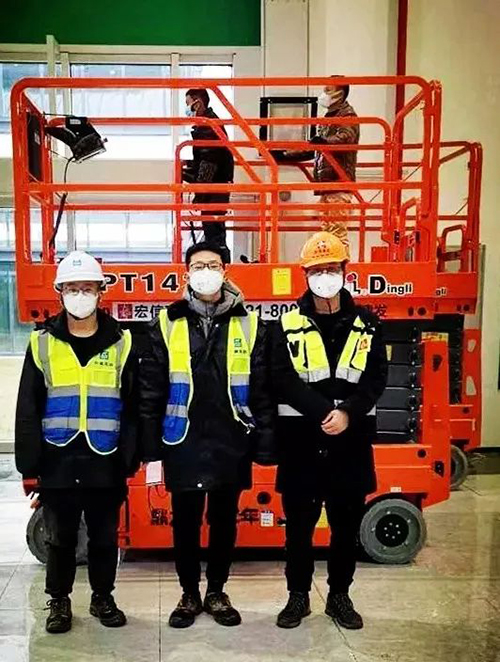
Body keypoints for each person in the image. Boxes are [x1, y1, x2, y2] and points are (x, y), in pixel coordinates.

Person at [139, 241, 274, 629]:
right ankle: (188, 593)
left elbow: (262, 388)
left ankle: (216, 591)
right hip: (181, 439)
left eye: (213, 265)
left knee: (224, 521)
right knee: (184, 522)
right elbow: (151, 388)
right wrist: (150, 446)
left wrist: (265, 442)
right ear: (186, 274)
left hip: (232, 440)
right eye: (198, 265)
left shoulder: (249, 323)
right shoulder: (167, 322)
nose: (206, 271)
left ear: (225, 270)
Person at [15, 251, 139, 634]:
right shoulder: (41, 344)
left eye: (87, 288)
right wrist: (29, 465)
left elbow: (133, 405)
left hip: (106, 458)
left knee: (104, 537)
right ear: (60, 293)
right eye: (72, 288)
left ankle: (103, 597)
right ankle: (59, 601)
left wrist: (130, 457)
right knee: (61, 538)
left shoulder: (122, 342)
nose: (80, 295)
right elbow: (28, 407)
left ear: (101, 292)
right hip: (58, 459)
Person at [271, 232, 387, 630]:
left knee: (345, 528)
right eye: (317, 270)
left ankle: (339, 596)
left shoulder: (368, 324)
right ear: (305, 275)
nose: (324, 276)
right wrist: (324, 412)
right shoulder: (286, 324)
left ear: (344, 271)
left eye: (331, 268)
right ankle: (297, 597)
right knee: (298, 530)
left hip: (349, 446)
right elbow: (281, 378)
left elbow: (376, 378)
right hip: (301, 445)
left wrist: (349, 413)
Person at [275, 77, 359, 256]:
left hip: (338, 182)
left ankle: (342, 268)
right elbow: (315, 147)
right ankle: (334, 266)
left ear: (340, 93)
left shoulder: (347, 116)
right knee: (329, 233)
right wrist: (285, 154)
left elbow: (346, 138)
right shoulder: (329, 118)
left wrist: (324, 142)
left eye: (328, 90)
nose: (324, 94)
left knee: (336, 233)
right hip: (328, 184)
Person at [182, 88, 235, 262]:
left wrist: (200, 192)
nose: (187, 109)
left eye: (188, 104)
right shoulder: (208, 125)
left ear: (197, 103)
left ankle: (219, 264)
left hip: (215, 188)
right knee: (214, 230)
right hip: (216, 186)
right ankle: (219, 263)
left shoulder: (208, 127)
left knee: (214, 232)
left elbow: (209, 162)